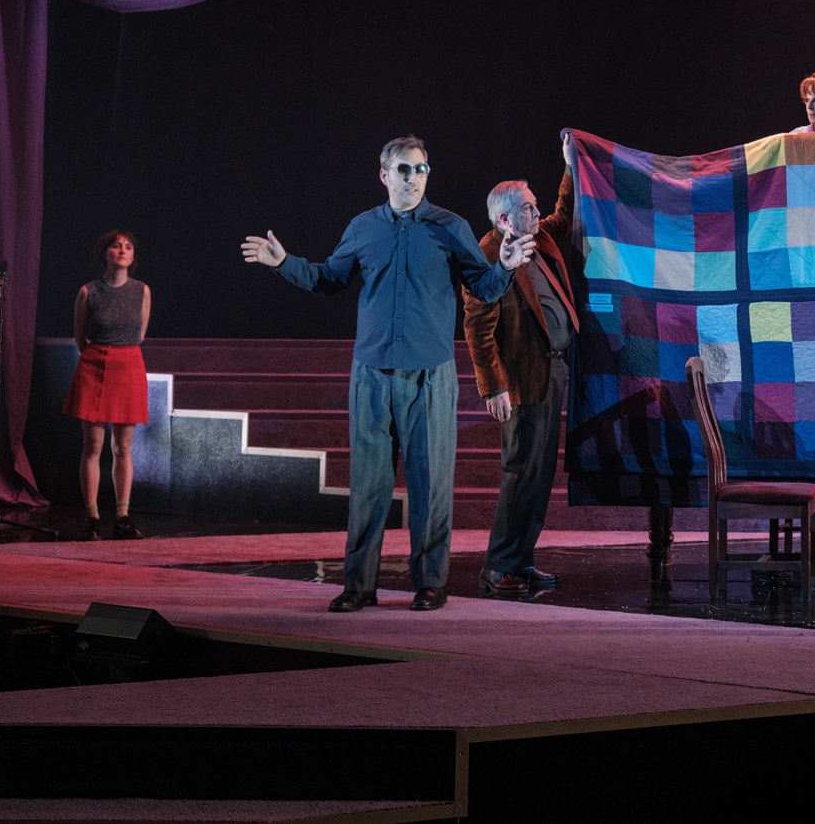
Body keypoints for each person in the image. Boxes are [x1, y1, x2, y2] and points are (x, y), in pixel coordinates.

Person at [242, 136, 527, 612]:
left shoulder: (450, 227)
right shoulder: (363, 227)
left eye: (421, 169)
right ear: (384, 175)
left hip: (430, 374)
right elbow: (328, 278)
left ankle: (430, 582)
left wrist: (503, 266)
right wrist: (283, 264)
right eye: (404, 169)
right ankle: (360, 585)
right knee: (368, 485)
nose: (413, 178)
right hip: (371, 373)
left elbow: (482, 286)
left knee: (431, 483)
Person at [464, 156, 582, 599]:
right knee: (520, 471)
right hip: (520, 379)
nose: (537, 212)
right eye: (529, 208)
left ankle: (520, 560)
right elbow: (478, 326)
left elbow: (564, 214)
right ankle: (498, 567)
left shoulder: (537, 236)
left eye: (534, 205)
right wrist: (493, 386)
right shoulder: (487, 254)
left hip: (552, 369)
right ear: (503, 218)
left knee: (539, 474)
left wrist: (569, 167)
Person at [62, 230, 151, 541]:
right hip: (95, 364)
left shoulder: (142, 291)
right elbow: (79, 337)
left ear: (133, 256)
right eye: (116, 245)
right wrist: (97, 358)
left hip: (129, 365)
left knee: (123, 447)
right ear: (106, 253)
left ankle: (122, 517)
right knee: (93, 447)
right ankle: (92, 517)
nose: (123, 250)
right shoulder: (88, 291)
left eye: (128, 246)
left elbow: (140, 334)